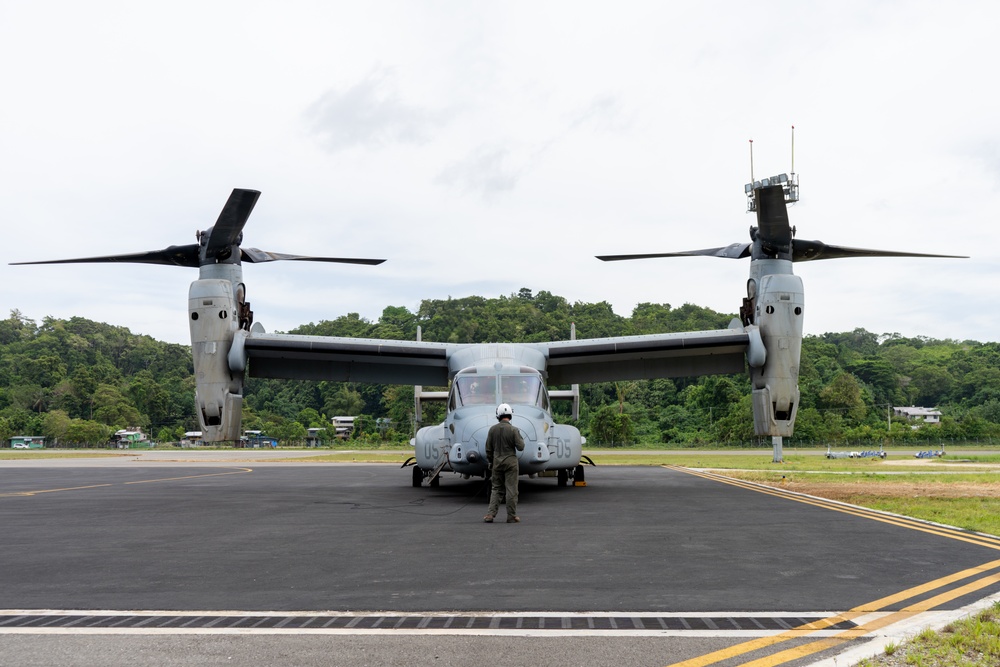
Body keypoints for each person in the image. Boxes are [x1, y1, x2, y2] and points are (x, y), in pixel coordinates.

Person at [484, 403, 526, 523]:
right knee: (511, 489)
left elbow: (488, 449)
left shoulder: (492, 430)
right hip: (511, 462)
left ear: (498, 415)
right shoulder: (514, 430)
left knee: (496, 488)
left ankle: (490, 515)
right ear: (510, 415)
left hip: (497, 462)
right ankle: (511, 516)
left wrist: (491, 461)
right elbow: (521, 447)